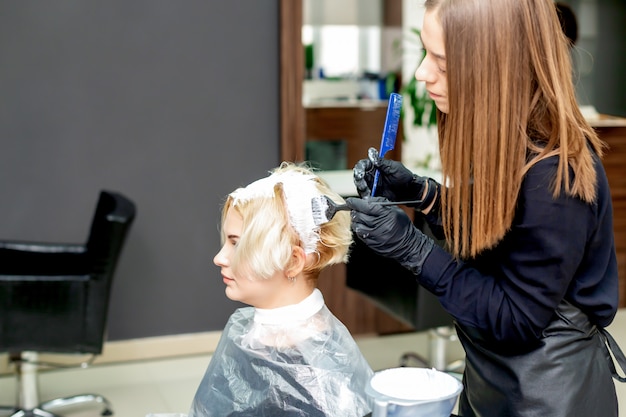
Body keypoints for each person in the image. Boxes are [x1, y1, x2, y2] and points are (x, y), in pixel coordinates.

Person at [346, 0, 626, 416]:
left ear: (497, 66)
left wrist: (414, 250)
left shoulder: (554, 175)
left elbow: (516, 319)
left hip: (546, 397)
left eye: (440, 60)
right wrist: (424, 194)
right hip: (493, 382)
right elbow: (502, 228)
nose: (423, 73)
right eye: (426, 54)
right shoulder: (513, 140)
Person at [188, 162, 373, 417]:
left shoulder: (322, 369)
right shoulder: (242, 329)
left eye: (236, 244)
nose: (219, 258)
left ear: (293, 261)